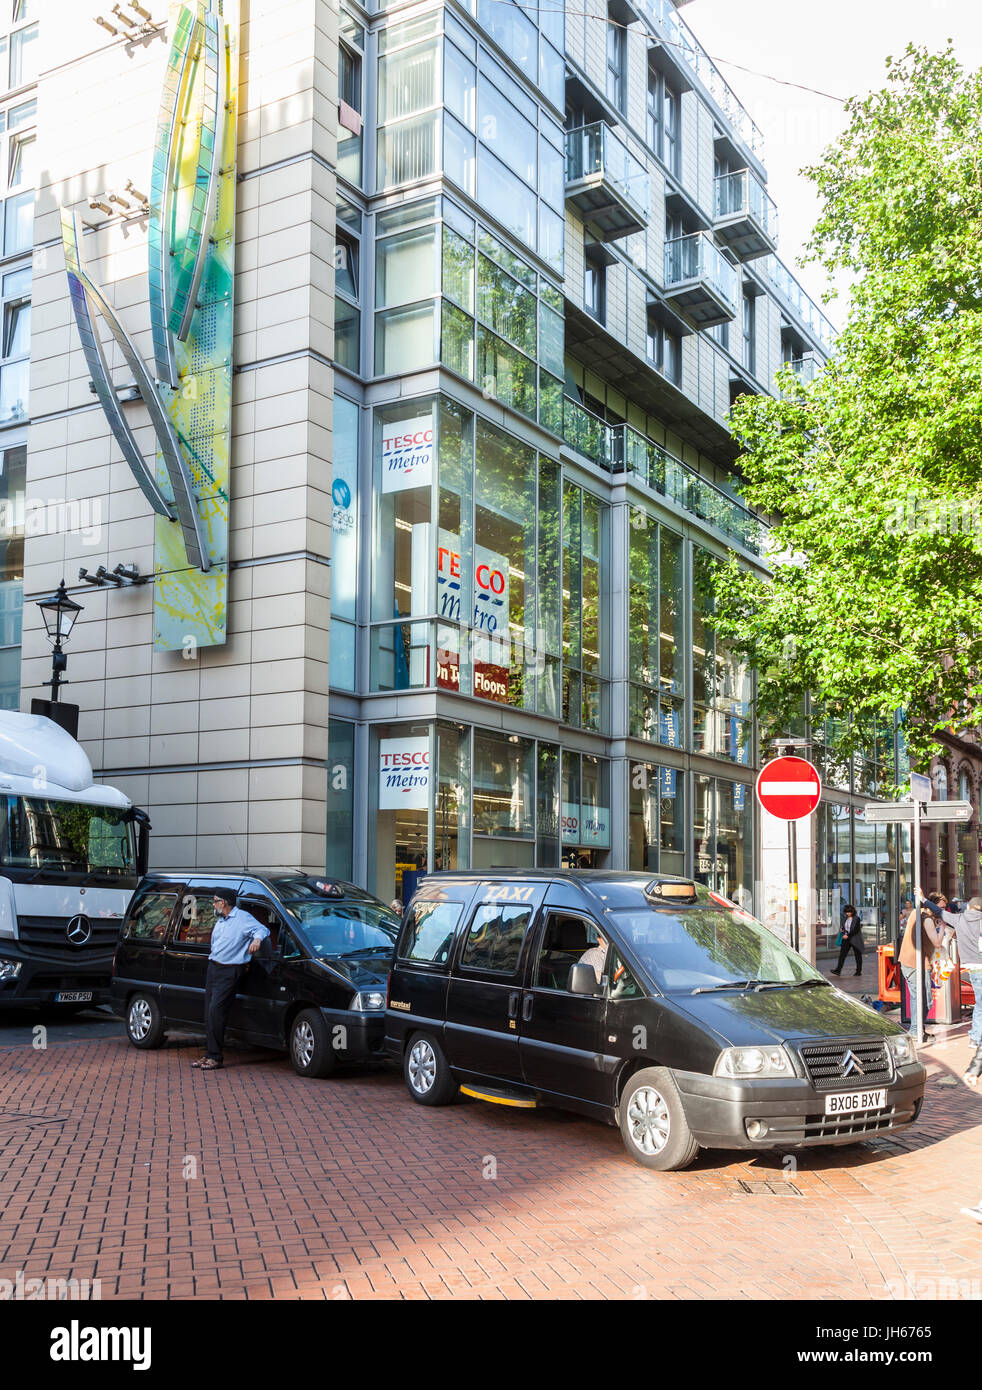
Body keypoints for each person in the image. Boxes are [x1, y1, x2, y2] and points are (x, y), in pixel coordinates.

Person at [192, 889, 269, 1071]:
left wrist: (256, 940)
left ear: (224, 902)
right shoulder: (220, 920)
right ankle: (209, 1053)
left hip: (230, 970)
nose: (213, 904)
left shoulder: (242, 918)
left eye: (215, 901)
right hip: (214, 968)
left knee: (216, 1011)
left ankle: (216, 1057)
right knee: (208, 1014)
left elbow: (262, 929)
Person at [928, 892, 982, 1052]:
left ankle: (975, 1037)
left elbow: (938, 912)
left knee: (979, 1003)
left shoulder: (960, 919)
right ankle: (975, 1036)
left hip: (974, 966)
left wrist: (923, 899)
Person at [899, 896, 950, 1042]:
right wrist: (943, 927)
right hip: (917, 963)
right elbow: (938, 943)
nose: (942, 911)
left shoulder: (917, 912)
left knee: (918, 997)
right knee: (925, 1000)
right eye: (940, 908)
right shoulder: (927, 919)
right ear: (932, 906)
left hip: (908, 961)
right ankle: (916, 1030)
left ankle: (918, 1030)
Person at [830, 904, 864, 977]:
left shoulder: (856, 918)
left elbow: (855, 930)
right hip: (846, 939)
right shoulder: (846, 918)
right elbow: (846, 927)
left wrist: (848, 935)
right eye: (846, 912)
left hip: (855, 939)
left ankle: (858, 971)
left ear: (852, 911)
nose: (848, 913)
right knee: (842, 955)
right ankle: (838, 970)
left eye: (849, 912)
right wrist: (842, 929)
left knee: (857, 955)